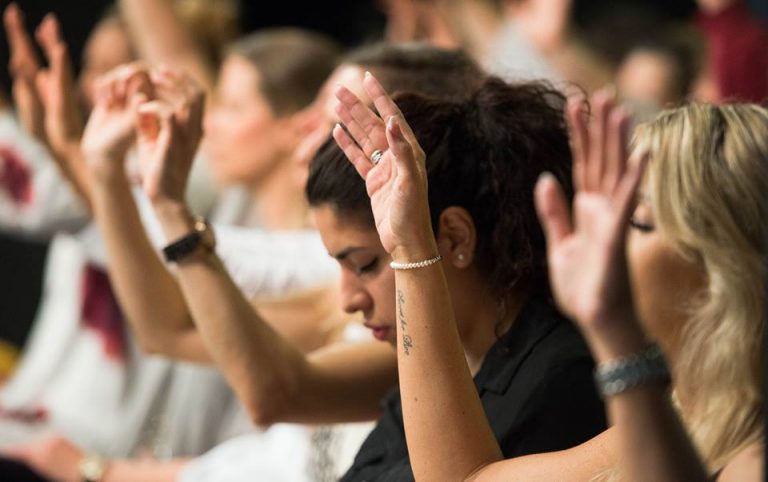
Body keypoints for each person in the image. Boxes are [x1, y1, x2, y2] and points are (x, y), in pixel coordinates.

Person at [349, 74, 766, 479]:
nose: (603, 241)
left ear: (723, 260)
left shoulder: (752, 454)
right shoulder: (685, 411)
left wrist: (617, 335)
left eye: (635, 221)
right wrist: (411, 247)